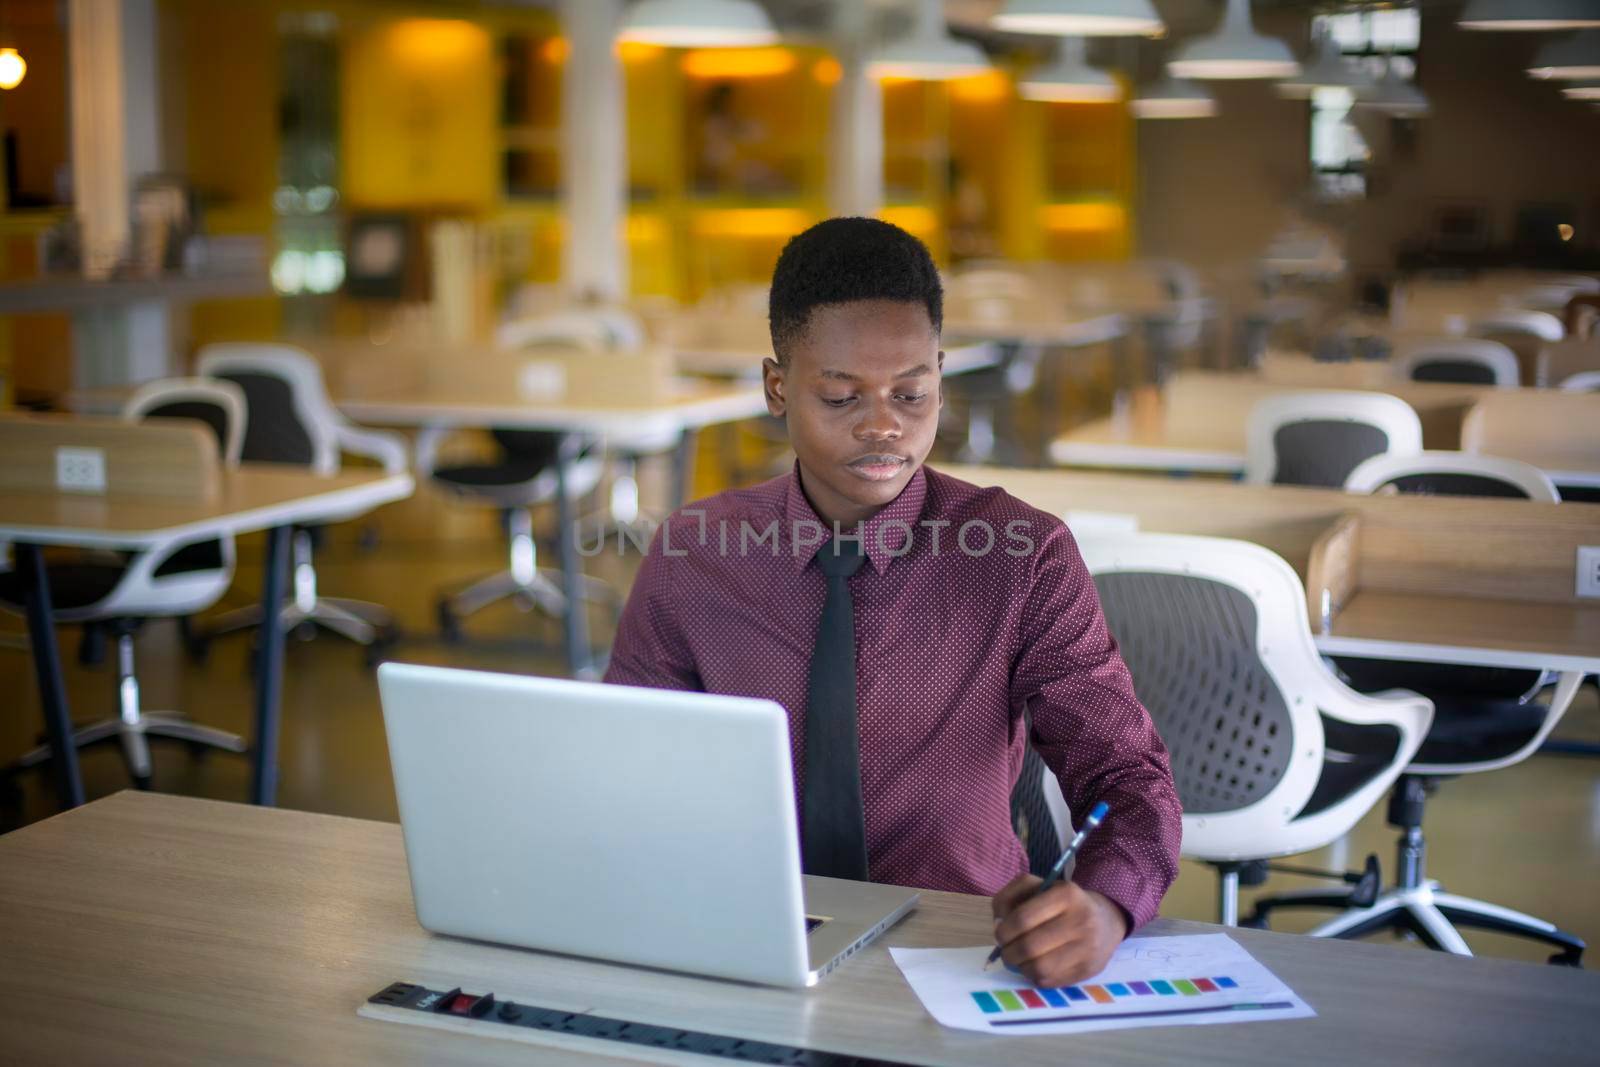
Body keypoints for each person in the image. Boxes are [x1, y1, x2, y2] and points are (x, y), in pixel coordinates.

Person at [605, 217, 1181, 987]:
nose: (884, 425)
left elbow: (1129, 777)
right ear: (777, 387)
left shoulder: (1020, 555)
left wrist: (1107, 905)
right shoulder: (693, 555)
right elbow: (622, 775)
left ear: (941, 375)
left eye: (912, 393)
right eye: (842, 397)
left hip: (960, 950)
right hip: (739, 944)